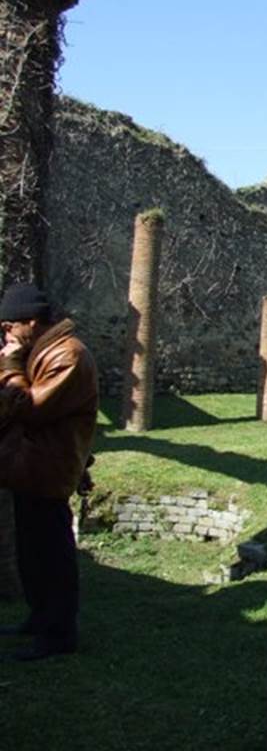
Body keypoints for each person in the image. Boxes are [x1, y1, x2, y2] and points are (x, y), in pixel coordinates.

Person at [0, 282, 98, 661]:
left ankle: (59, 634)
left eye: (9, 327)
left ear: (30, 322)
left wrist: (10, 367)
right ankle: (40, 618)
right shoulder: (38, 350)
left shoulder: (68, 356)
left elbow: (30, 408)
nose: (6, 335)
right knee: (31, 553)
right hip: (29, 467)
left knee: (53, 556)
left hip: (50, 470)